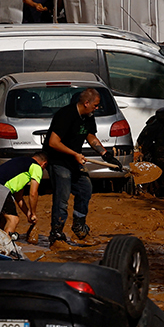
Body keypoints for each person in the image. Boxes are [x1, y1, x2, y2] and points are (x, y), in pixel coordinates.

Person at [45, 88, 119, 246]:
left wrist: (104, 153)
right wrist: (75, 154)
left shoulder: (89, 116)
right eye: (95, 105)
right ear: (86, 103)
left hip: (74, 160)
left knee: (85, 189)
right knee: (62, 198)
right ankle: (56, 234)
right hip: (58, 160)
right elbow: (53, 142)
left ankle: (79, 227)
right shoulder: (65, 115)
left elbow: (89, 135)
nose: (97, 108)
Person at [0, 152, 47, 239]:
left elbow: (18, 197)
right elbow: (33, 194)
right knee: (13, 219)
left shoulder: (21, 163)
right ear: (44, 164)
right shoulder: (36, 167)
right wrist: (34, 213)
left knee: (4, 219)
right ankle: (5, 248)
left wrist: (28, 213)